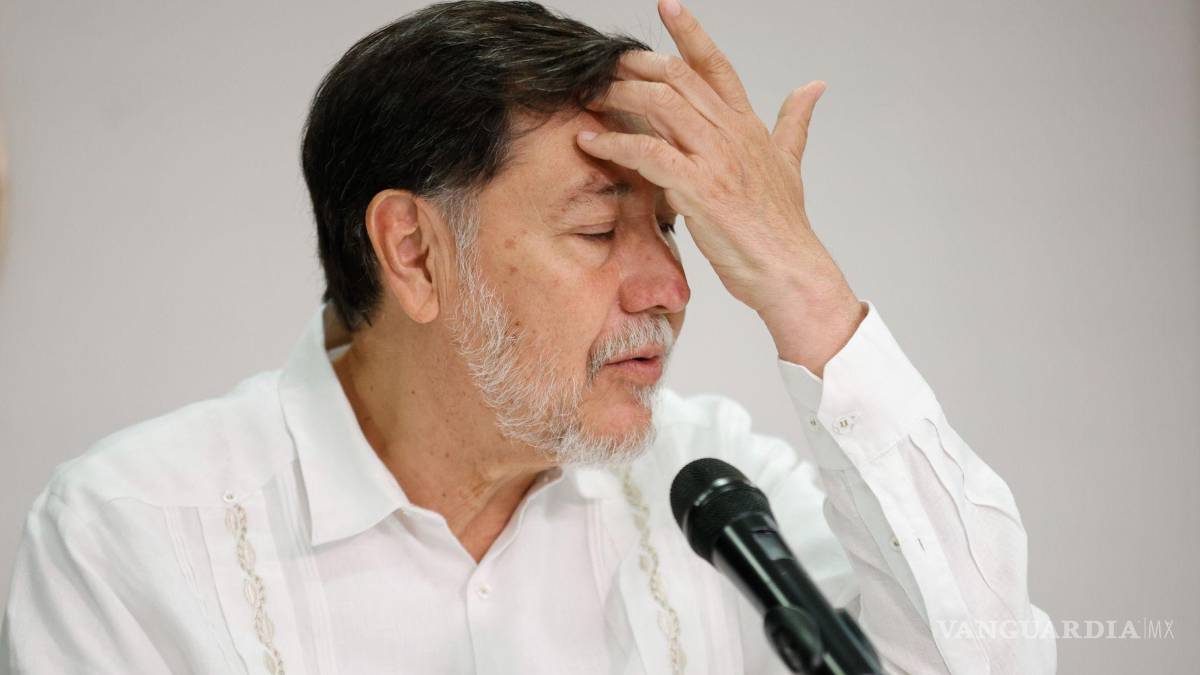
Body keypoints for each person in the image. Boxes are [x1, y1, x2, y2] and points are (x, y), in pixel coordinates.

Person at [0, 1, 1056, 673]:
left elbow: (987, 661)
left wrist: (805, 287)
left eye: (671, 227)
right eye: (598, 229)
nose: (672, 287)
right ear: (415, 252)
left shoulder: (714, 492)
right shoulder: (134, 533)